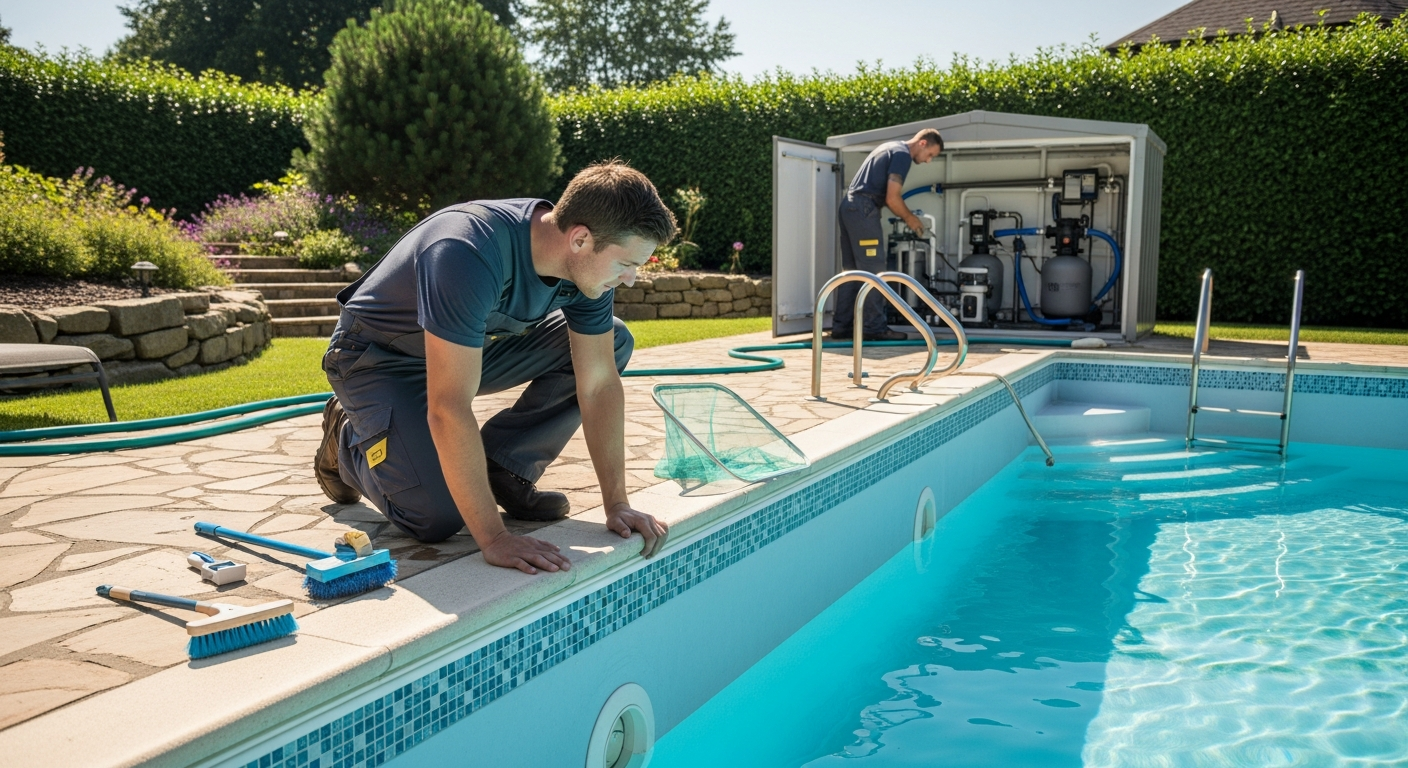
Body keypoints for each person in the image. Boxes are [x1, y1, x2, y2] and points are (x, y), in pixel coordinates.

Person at [314, 160, 677, 575]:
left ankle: (504, 466)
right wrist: (495, 538)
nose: (630, 279)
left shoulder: (587, 273)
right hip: (378, 359)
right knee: (435, 518)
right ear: (580, 239)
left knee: (611, 340)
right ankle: (345, 435)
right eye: (625, 264)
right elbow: (449, 406)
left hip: (470, 348)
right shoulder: (466, 250)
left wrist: (617, 503)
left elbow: (597, 385)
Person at [830, 128, 944, 341]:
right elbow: (893, 198)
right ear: (922, 143)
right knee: (875, 271)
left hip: (849, 207)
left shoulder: (888, 147)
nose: (928, 161)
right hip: (864, 209)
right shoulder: (902, 155)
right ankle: (874, 328)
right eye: (930, 155)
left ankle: (842, 327)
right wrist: (912, 220)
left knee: (852, 271)